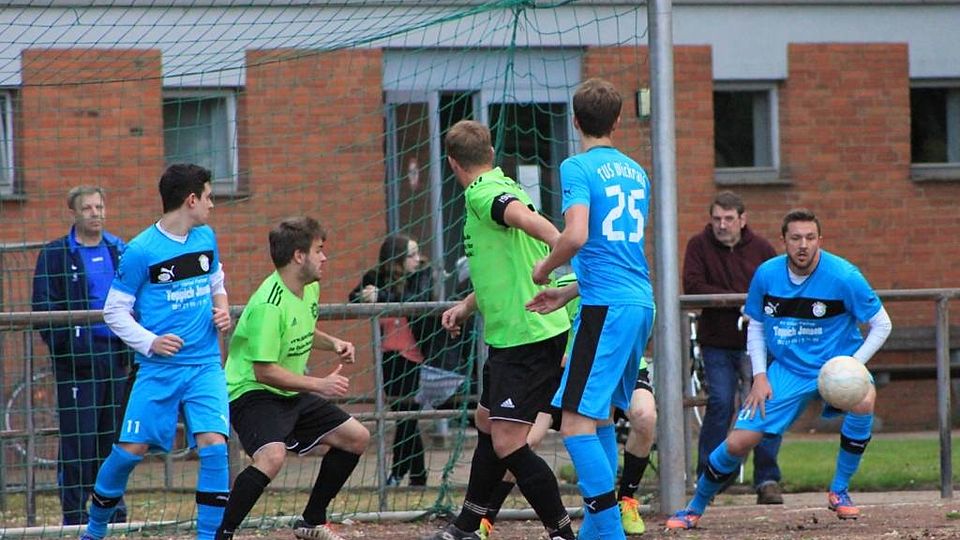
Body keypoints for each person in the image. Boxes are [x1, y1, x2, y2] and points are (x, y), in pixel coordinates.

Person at [667, 208, 893, 530]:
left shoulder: (844, 276)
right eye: (796, 238)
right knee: (738, 442)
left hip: (837, 364)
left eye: (810, 238)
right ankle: (694, 507)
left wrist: (853, 365)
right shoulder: (767, 274)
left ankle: (839, 490)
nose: (803, 245)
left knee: (864, 400)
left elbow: (882, 324)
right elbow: (757, 326)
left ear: (820, 240)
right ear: (784, 241)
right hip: (787, 369)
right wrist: (760, 376)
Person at [424, 119, 575, 540]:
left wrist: (558, 245)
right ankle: (467, 524)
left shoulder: (483, 193)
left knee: (508, 443)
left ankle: (562, 532)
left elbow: (526, 221)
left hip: (527, 335)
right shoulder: (503, 182)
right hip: (514, 334)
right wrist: (466, 306)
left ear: (452, 163)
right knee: (487, 421)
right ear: (489, 153)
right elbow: (504, 266)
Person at [80, 164, 233, 540]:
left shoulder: (206, 237)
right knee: (129, 452)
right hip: (158, 369)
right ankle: (95, 529)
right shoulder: (140, 250)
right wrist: (151, 341)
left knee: (214, 447)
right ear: (191, 200)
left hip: (205, 365)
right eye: (209, 197)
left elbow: (216, 280)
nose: (212, 204)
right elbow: (114, 311)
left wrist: (222, 308)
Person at [531, 77, 655, 540]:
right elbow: (615, 252)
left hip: (607, 308)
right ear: (618, 122)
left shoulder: (577, 166)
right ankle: (598, 532)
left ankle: (609, 532)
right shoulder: (636, 172)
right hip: (637, 301)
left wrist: (545, 267)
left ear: (574, 121)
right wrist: (569, 293)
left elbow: (578, 235)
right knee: (597, 415)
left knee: (574, 425)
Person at [216, 216, 369, 540]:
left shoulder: (309, 287)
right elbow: (264, 371)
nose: (324, 257)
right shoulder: (268, 304)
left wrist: (334, 343)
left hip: (287, 390)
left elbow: (301, 328)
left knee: (357, 437)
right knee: (271, 457)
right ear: (299, 256)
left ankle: (311, 522)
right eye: (319, 250)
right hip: (251, 391)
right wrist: (320, 385)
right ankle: (223, 534)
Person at [31, 186, 132, 526]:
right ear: (74, 213)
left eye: (99, 206)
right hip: (77, 364)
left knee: (113, 441)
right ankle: (74, 515)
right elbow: (43, 305)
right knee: (78, 441)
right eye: (87, 208)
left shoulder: (119, 250)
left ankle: (113, 511)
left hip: (115, 357)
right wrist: (69, 347)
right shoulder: (56, 254)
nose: (95, 213)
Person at [683, 190, 784, 504]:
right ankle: (709, 478)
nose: (722, 225)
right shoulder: (698, 246)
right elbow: (693, 286)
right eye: (717, 219)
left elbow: (777, 287)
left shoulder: (762, 249)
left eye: (728, 218)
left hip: (758, 343)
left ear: (742, 219)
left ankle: (767, 479)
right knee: (720, 403)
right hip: (717, 341)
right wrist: (738, 301)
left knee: (766, 405)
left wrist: (751, 306)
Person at [350, 233, 430, 487]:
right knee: (404, 416)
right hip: (389, 356)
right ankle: (418, 475)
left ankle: (397, 472)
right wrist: (366, 296)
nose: (418, 259)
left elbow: (416, 300)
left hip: (415, 356)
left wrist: (381, 297)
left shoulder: (421, 274)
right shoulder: (376, 277)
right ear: (397, 258)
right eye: (411, 254)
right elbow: (352, 297)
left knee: (407, 416)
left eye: (417, 253)